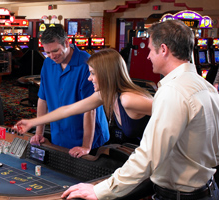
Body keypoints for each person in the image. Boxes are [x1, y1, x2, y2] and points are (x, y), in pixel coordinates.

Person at [62, 20, 219, 200]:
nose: (148, 57)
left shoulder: (172, 92)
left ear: (163, 49)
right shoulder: (206, 87)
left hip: (180, 195)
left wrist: (99, 190)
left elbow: (148, 157)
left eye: (150, 50)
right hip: (208, 189)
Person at [15, 49, 152, 146]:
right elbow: (67, 110)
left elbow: (171, 114)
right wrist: (32, 122)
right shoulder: (103, 95)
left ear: (106, 74)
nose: (89, 78)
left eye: (92, 73)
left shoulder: (128, 99)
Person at [31, 26, 109, 158]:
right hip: (60, 135)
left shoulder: (86, 63)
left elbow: (90, 108)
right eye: (47, 52)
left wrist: (85, 146)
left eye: (55, 50)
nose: (52, 56)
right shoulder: (48, 63)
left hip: (88, 139)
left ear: (66, 43)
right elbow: (42, 99)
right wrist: (39, 133)